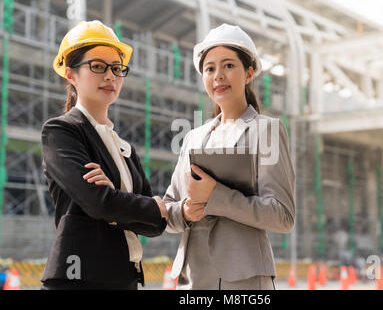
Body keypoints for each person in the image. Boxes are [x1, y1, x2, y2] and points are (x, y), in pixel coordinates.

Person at [163, 24, 296, 289]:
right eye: (209, 68)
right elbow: (169, 212)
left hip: (243, 281)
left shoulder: (266, 130)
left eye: (228, 66)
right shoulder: (192, 138)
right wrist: (187, 212)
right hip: (194, 279)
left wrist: (215, 196)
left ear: (248, 73)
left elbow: (282, 216)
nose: (218, 76)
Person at [40, 20, 167, 290]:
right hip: (79, 279)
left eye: (117, 68)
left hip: (126, 278)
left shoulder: (125, 148)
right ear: (70, 74)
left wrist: (117, 202)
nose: (110, 76)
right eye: (97, 66)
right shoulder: (61, 131)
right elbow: (97, 202)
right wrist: (143, 206)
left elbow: (155, 225)